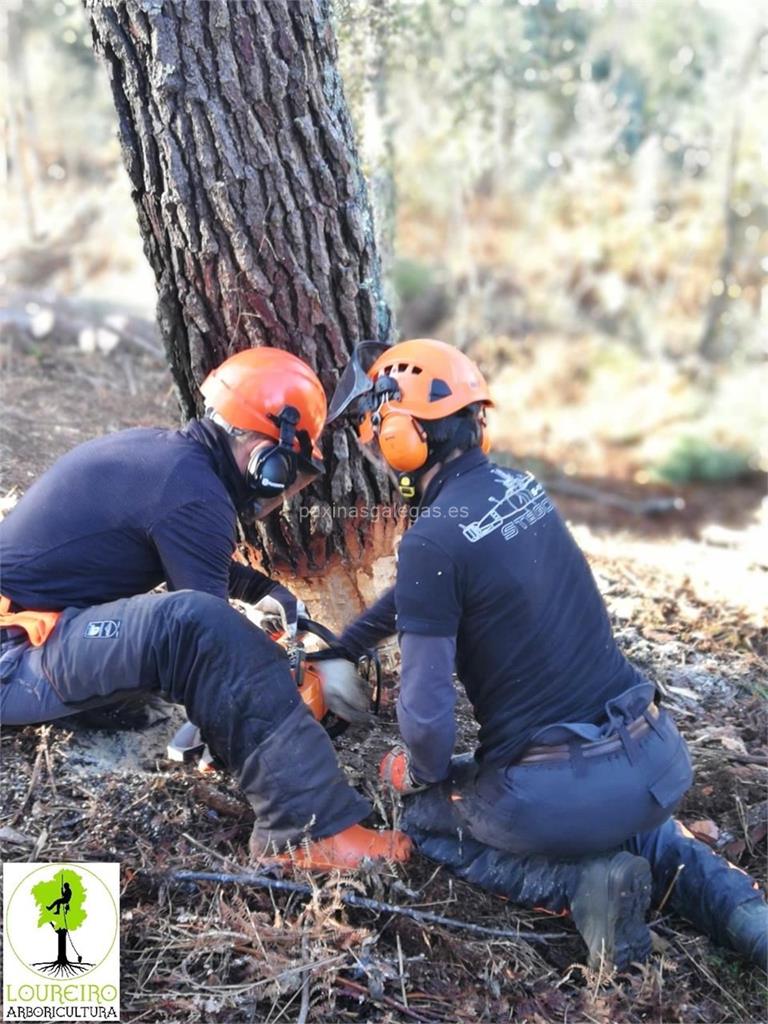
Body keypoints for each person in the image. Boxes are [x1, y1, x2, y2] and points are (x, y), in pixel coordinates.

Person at [329, 338, 767, 970]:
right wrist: (348, 642)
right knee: (645, 831)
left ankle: (581, 889)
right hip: (653, 758)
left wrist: (417, 772)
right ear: (476, 424)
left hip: (556, 795)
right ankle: (746, 914)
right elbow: (420, 594)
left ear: (404, 438)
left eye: (378, 433)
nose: (376, 449)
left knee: (425, 814)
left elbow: (425, 721)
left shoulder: (432, 540)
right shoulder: (521, 489)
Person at [0, 347, 411, 870]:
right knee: (195, 628)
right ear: (270, 457)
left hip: (33, 631)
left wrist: (271, 594)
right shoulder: (194, 497)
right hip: (15, 657)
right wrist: (297, 679)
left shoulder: (170, 462)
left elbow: (197, 558)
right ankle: (309, 828)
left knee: (192, 626)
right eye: (293, 475)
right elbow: (209, 638)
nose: (285, 494)